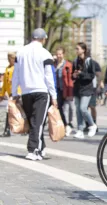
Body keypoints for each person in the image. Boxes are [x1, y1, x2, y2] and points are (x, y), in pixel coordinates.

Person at [11, 28, 58, 161]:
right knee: (37, 122)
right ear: (43, 39)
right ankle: (33, 150)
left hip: (26, 92)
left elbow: (16, 75)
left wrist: (15, 92)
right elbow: (49, 77)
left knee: (34, 122)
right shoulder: (45, 53)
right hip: (41, 92)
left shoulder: (20, 52)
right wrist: (54, 96)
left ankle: (41, 147)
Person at [72, 42, 97, 139]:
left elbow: (92, 75)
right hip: (77, 88)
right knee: (78, 110)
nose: (76, 50)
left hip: (87, 88)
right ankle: (80, 130)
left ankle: (92, 125)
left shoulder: (89, 61)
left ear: (83, 50)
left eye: (78, 48)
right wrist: (74, 75)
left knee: (83, 108)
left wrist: (81, 74)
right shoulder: (75, 61)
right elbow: (72, 75)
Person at [0, 52, 21, 137]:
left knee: (16, 111)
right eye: (8, 58)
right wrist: (1, 94)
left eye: (11, 58)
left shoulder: (17, 68)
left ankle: (24, 128)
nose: (9, 60)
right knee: (9, 111)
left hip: (17, 92)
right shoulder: (7, 68)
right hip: (10, 93)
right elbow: (5, 83)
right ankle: (7, 130)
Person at [55, 47, 74, 136]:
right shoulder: (54, 64)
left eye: (60, 54)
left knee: (65, 108)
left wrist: (70, 93)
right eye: (57, 54)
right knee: (58, 108)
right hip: (56, 90)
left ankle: (67, 125)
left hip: (64, 90)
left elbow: (69, 80)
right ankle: (64, 125)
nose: (59, 56)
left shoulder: (67, 65)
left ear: (63, 54)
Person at [84, 58, 101, 132]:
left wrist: (99, 86)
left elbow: (99, 75)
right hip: (83, 88)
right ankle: (87, 124)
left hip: (92, 88)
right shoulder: (79, 62)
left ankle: (94, 123)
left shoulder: (94, 63)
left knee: (92, 106)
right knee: (84, 108)